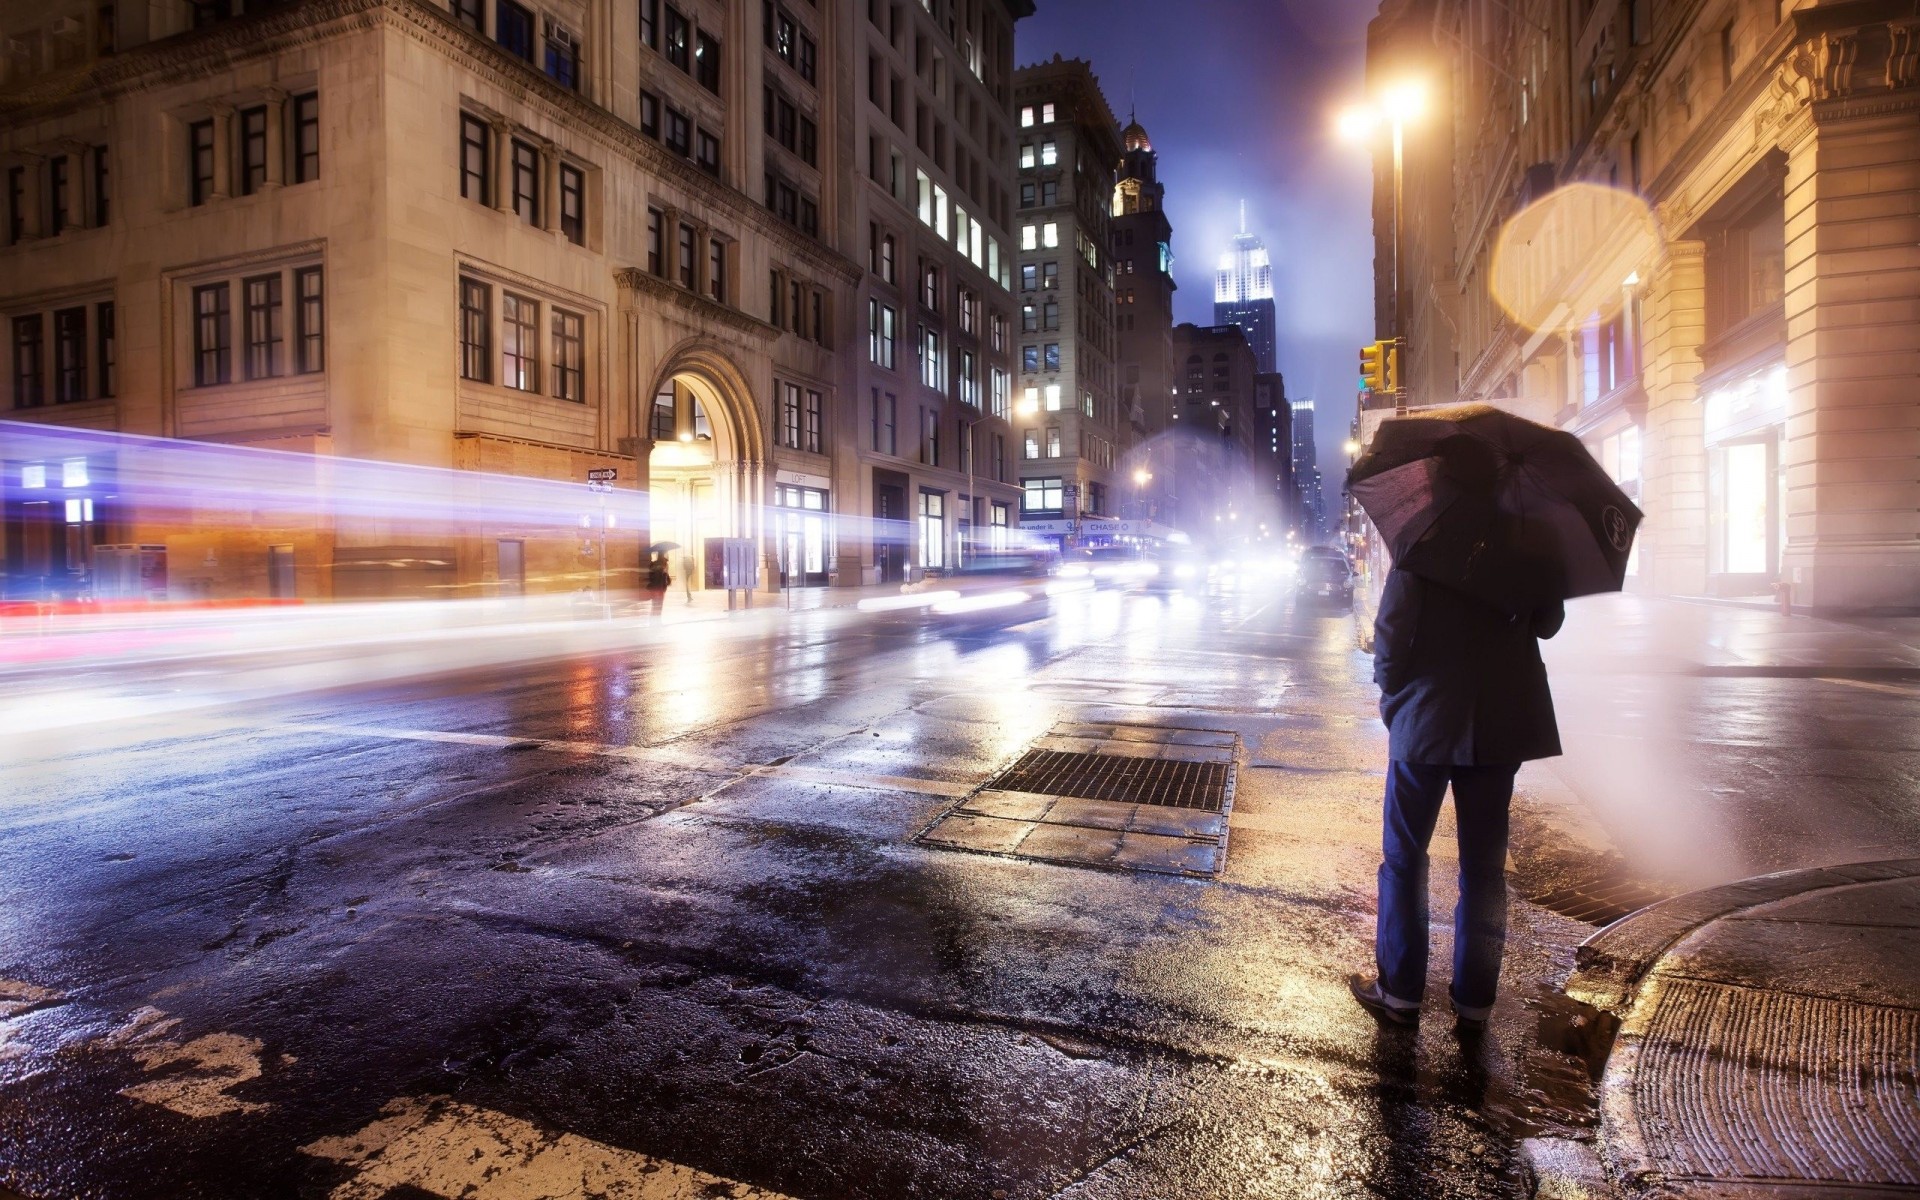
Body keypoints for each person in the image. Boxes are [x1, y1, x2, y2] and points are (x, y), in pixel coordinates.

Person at [1349, 567, 1564, 1034]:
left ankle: (1400, 993)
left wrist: (1391, 692)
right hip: (1499, 719)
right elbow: (1549, 622)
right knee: (1484, 870)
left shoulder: (1427, 539)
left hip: (1426, 715)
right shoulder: (1527, 542)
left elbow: (1392, 631)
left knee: (1404, 858)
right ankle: (1474, 1002)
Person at [644, 554, 671, 618]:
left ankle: (653, 619)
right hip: (660, 587)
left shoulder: (653, 564)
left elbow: (650, 576)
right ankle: (656, 619)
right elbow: (664, 577)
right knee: (659, 605)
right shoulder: (664, 565)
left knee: (655, 605)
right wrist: (665, 575)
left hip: (654, 587)